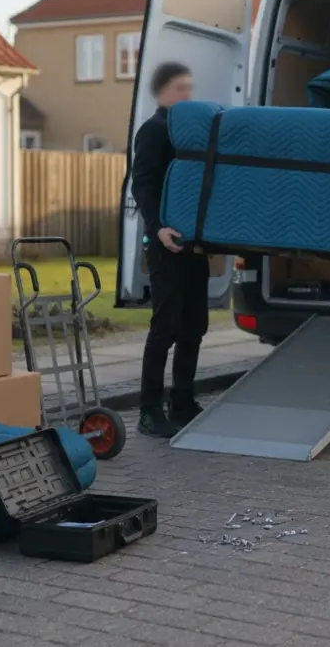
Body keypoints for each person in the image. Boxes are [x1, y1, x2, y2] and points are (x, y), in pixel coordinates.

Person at [129, 62, 209, 438]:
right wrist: (156, 228)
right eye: (180, 88)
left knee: (195, 325)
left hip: (194, 244)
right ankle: (148, 410)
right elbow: (142, 184)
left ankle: (182, 401)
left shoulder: (188, 135)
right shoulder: (154, 130)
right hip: (165, 244)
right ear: (161, 91)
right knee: (166, 326)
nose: (187, 95)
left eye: (190, 87)